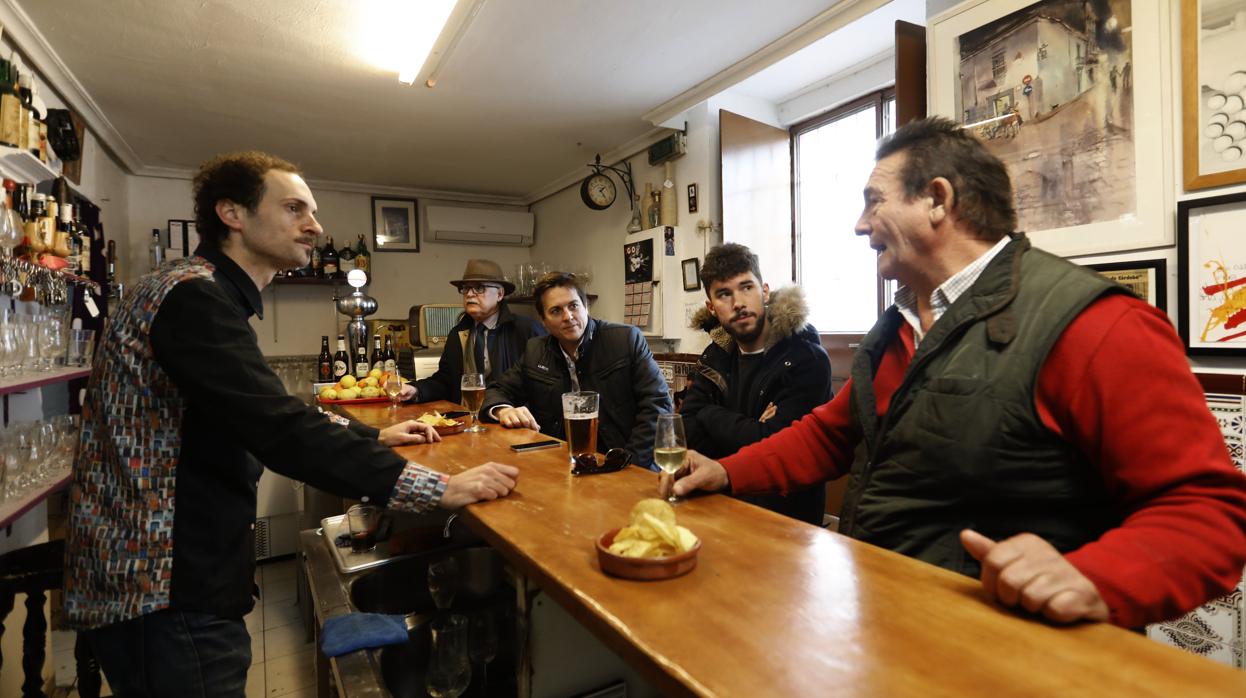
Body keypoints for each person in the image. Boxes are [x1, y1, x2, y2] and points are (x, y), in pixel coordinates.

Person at [673, 117, 1246, 628]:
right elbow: (829, 434)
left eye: (874, 201)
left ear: (937, 200)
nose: (858, 224)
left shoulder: (1095, 324)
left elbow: (1209, 514)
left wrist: (1094, 578)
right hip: (901, 625)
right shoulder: (894, 329)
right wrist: (726, 472)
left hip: (1020, 652)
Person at [63, 151, 520, 695]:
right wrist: (438, 488)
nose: (316, 226)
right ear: (232, 213)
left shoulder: (192, 289)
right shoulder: (193, 297)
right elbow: (280, 428)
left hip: (152, 575)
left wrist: (372, 435)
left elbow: (263, 408)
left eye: (314, 210)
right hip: (164, 582)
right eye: (294, 208)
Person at [679, 242, 831, 525]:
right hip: (718, 506)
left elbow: (776, 448)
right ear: (712, 308)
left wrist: (709, 414)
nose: (738, 302)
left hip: (785, 518)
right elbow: (688, 428)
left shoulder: (805, 359)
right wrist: (754, 427)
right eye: (725, 294)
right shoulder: (715, 356)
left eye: (746, 287)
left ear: (764, 291)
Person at [482, 271, 672, 469]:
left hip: (626, 460)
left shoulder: (625, 340)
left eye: (573, 306)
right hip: (560, 465)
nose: (568, 317)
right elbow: (496, 391)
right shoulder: (535, 350)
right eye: (555, 311)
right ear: (543, 320)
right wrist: (503, 410)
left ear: (586, 307)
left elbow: (657, 405)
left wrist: (626, 463)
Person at [405, 258, 546, 404]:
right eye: (466, 288)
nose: (470, 294)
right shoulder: (457, 333)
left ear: (500, 294)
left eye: (479, 288)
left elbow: (542, 386)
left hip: (512, 419)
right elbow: (445, 382)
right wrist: (416, 390)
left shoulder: (527, 330)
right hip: (468, 419)